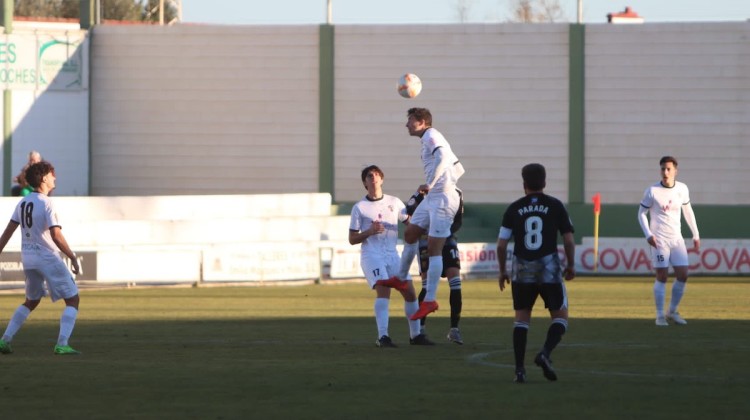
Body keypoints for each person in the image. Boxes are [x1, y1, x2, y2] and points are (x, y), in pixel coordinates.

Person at [497, 163, 575, 383]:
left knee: (522, 319)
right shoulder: (556, 206)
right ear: (545, 182)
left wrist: (503, 271)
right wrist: (571, 265)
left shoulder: (514, 208)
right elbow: (568, 240)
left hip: (522, 269)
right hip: (549, 267)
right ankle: (545, 353)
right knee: (560, 317)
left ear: (524, 184)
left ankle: (519, 371)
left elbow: (501, 245)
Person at [0, 160, 82, 356]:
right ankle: (62, 343)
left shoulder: (23, 202)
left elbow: (7, 233)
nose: (55, 178)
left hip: (28, 259)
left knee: (31, 301)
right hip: (46, 257)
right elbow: (56, 235)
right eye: (53, 175)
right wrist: (72, 256)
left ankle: (5, 340)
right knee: (73, 299)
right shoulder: (47, 203)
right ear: (44, 178)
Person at [393, 108, 466, 322]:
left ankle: (430, 300)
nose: (407, 125)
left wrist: (432, 183)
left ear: (422, 122)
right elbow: (455, 165)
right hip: (433, 198)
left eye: (410, 121)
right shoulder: (428, 137)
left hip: (443, 198)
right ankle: (400, 279)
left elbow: (443, 157)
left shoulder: (432, 135)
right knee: (411, 234)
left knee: (434, 249)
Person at [349, 165, 434, 347]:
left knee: (409, 292)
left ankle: (416, 335)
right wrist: (369, 231)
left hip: (392, 255)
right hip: (372, 255)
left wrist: (420, 198)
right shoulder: (360, 208)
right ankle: (383, 337)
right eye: (369, 176)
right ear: (365, 182)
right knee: (384, 290)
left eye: (377, 175)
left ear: (382, 179)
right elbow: (352, 238)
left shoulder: (394, 202)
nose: (374, 178)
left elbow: (409, 221)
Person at [638, 156, 700, 327]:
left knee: (683, 275)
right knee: (662, 276)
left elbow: (688, 211)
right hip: (659, 241)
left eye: (668, 169)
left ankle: (671, 311)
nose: (665, 172)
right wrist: (648, 235)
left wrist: (695, 234)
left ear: (675, 171)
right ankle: (659, 316)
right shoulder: (652, 191)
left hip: (676, 239)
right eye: (663, 169)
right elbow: (641, 213)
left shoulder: (682, 189)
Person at [406, 189, 464, 345]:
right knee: (427, 285)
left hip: (448, 240)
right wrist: (419, 195)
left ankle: (454, 330)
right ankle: (420, 330)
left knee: (456, 284)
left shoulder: (456, 193)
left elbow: (458, 219)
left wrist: (445, 231)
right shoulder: (423, 191)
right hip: (426, 242)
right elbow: (409, 210)